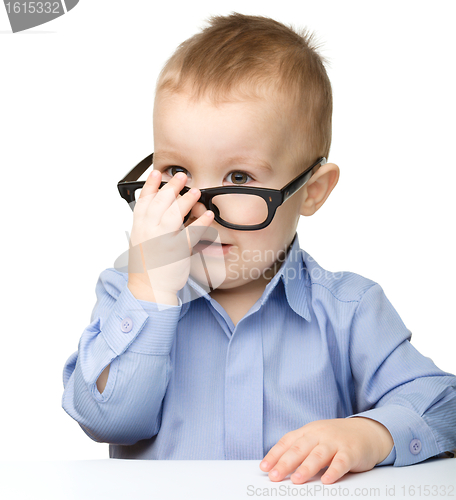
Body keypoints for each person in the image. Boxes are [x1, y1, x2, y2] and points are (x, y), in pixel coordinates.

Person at [61, 12, 456, 485]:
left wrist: (370, 434)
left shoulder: (350, 311)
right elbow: (105, 419)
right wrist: (148, 290)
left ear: (311, 191)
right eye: (175, 172)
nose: (199, 209)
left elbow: (443, 406)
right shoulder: (127, 292)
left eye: (239, 178)